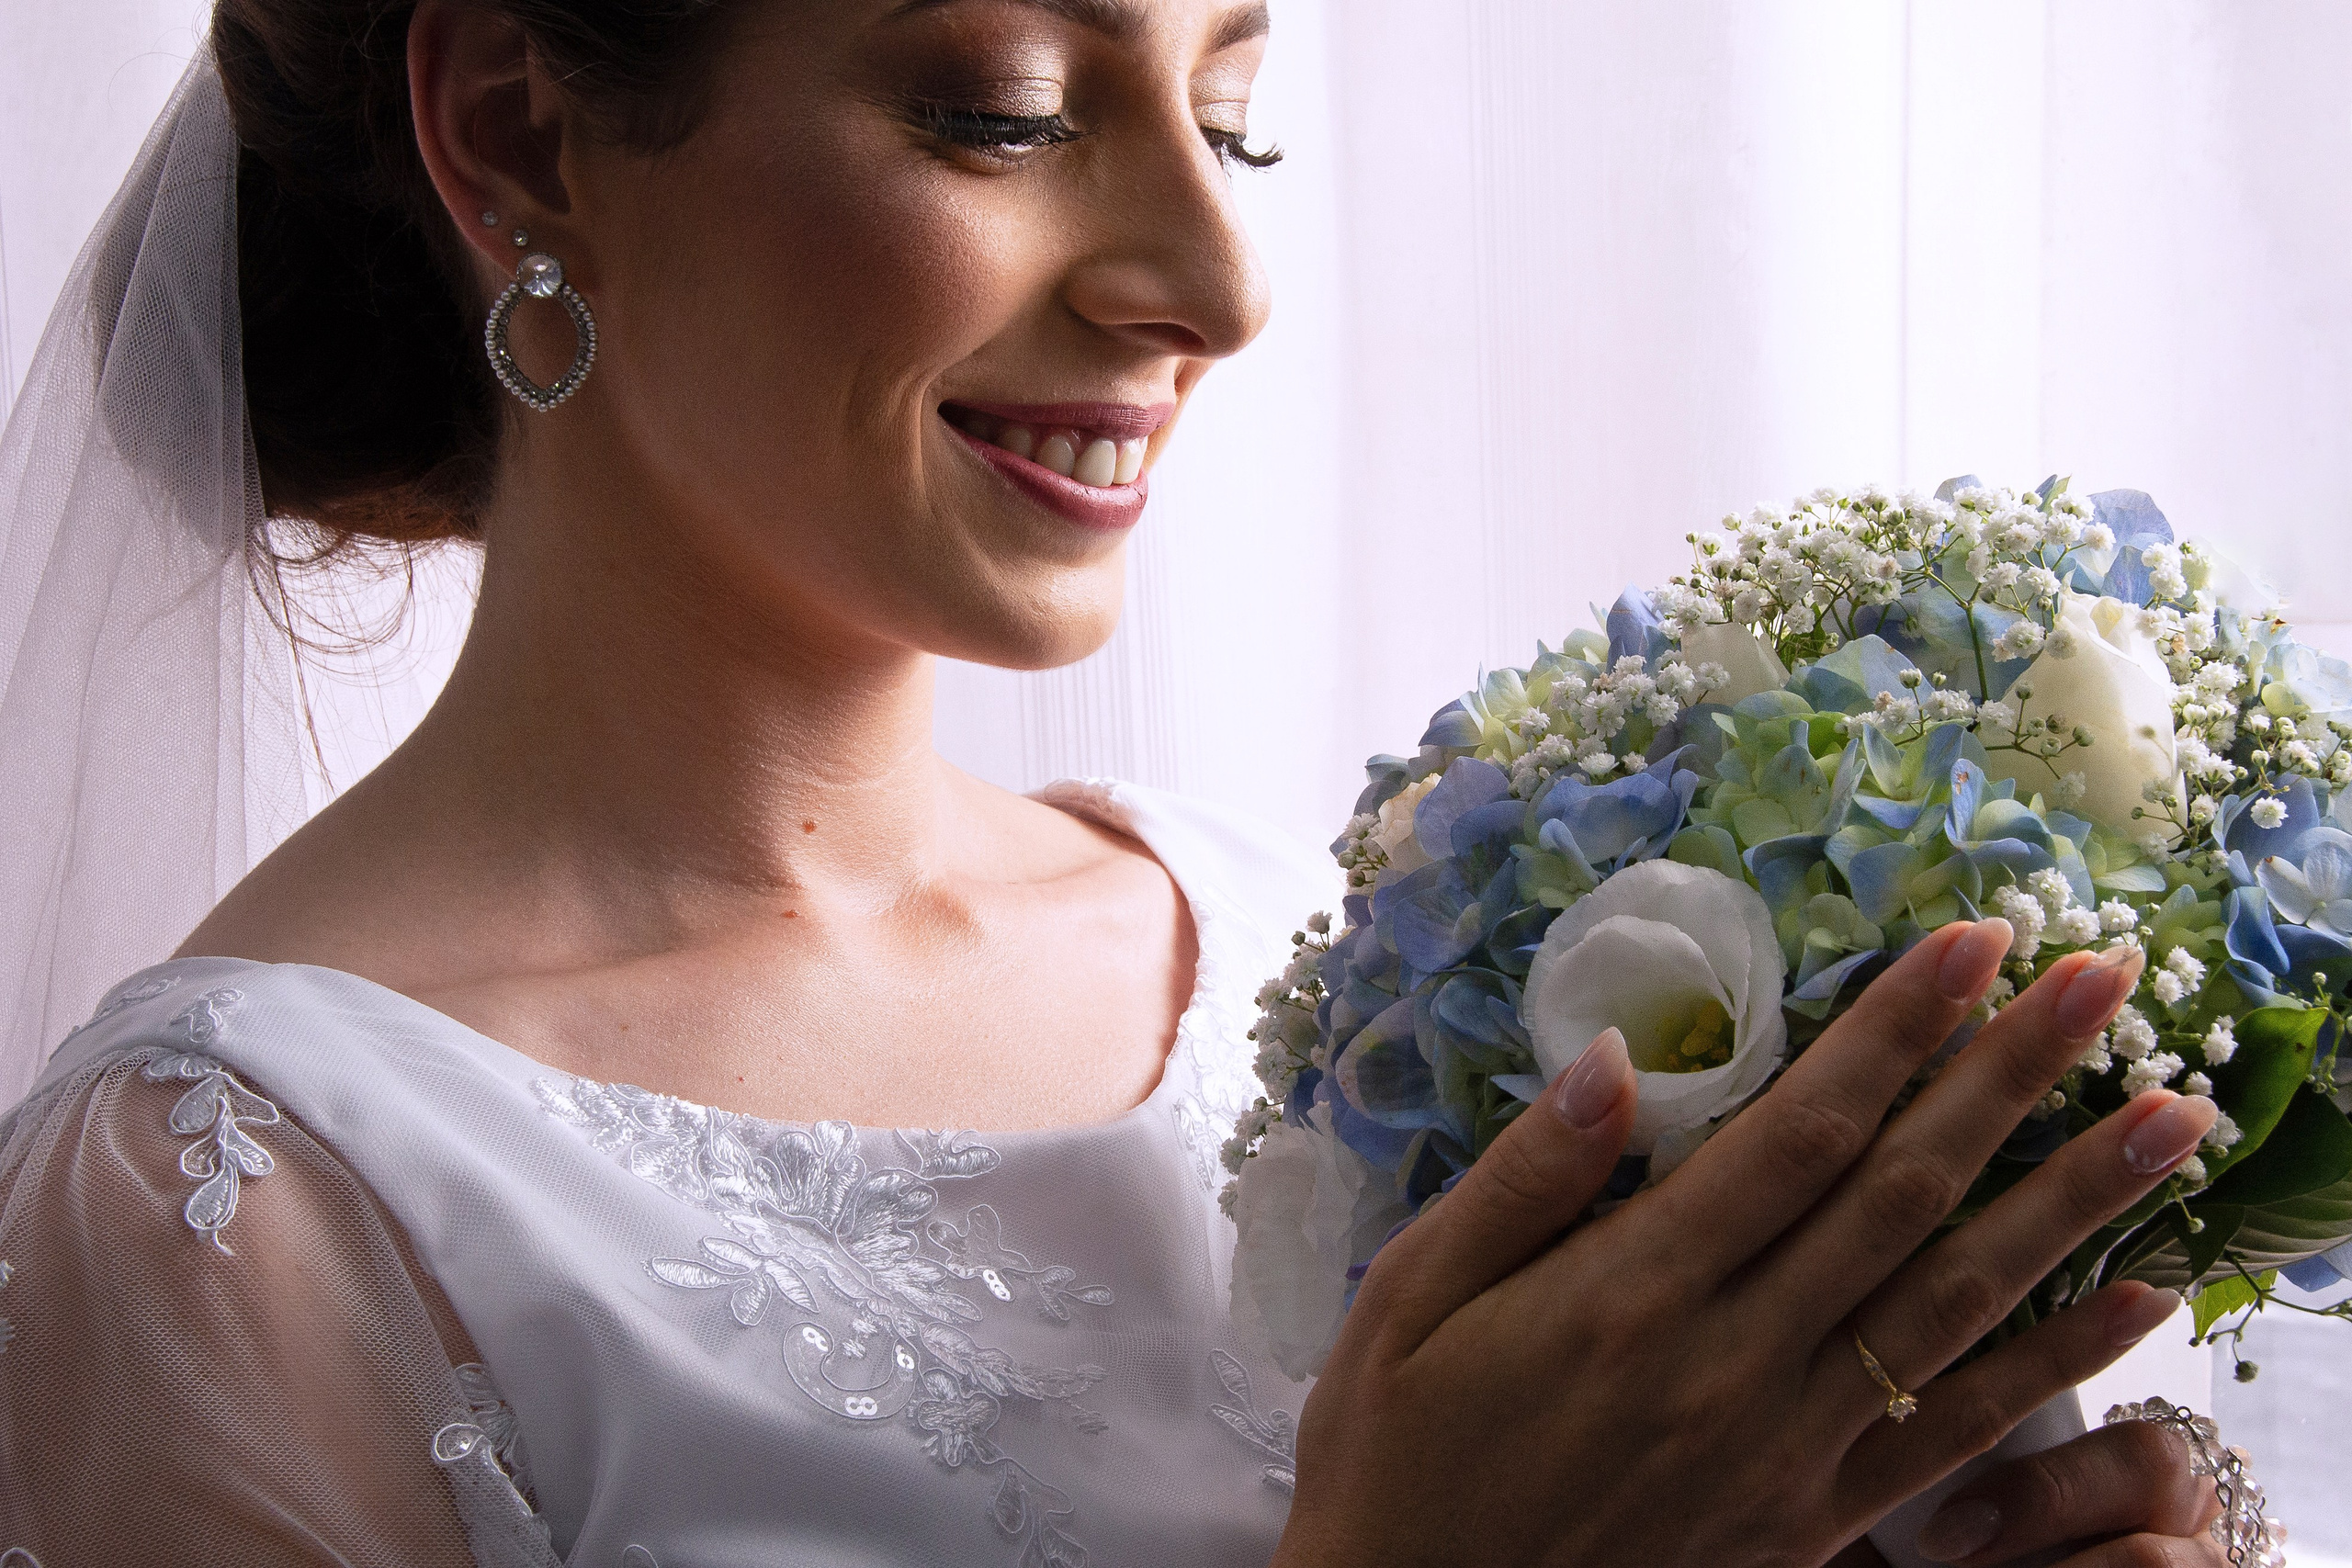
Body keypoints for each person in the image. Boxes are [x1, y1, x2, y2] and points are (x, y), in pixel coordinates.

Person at [0, 2, 2233, 1563]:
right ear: (511, 128)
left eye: (1231, 115)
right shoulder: (233, 1203)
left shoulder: (1340, 964)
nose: (1214, 277)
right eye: (1006, 106)